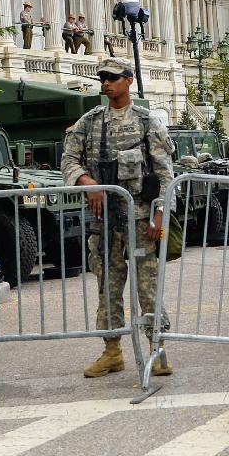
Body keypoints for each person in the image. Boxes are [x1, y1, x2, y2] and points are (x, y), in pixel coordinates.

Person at [60, 57, 175, 377]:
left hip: (141, 219)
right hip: (104, 220)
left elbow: (165, 174)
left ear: (129, 80)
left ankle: (158, 349)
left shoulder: (147, 122)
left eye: (113, 77)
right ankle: (112, 351)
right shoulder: (90, 122)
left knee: (149, 286)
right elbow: (68, 160)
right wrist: (88, 183)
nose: (107, 83)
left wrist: (160, 214)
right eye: (103, 78)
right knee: (107, 286)